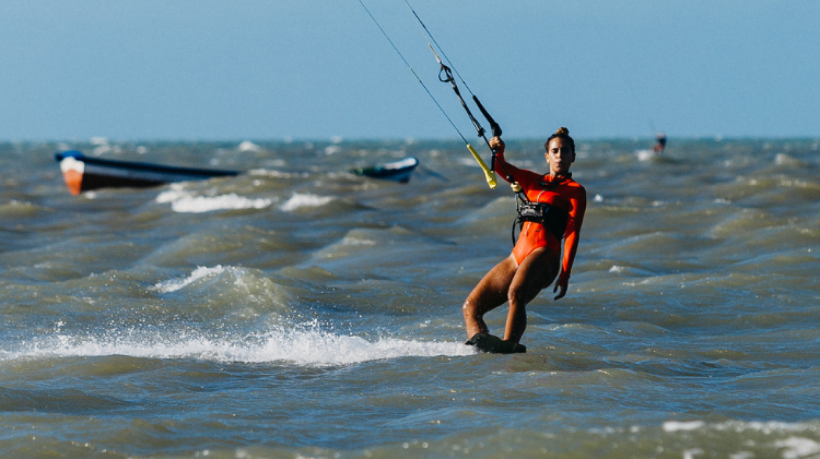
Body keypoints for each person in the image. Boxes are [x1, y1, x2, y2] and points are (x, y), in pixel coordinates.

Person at [462, 127, 587, 346]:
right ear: (547, 156)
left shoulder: (575, 191)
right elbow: (501, 168)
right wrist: (499, 151)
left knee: (516, 294)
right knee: (471, 307)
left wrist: (565, 273)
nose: (560, 156)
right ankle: (481, 348)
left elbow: (573, 233)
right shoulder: (531, 180)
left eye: (565, 151)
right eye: (555, 151)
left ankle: (509, 346)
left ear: (573, 157)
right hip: (516, 257)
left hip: (545, 254)